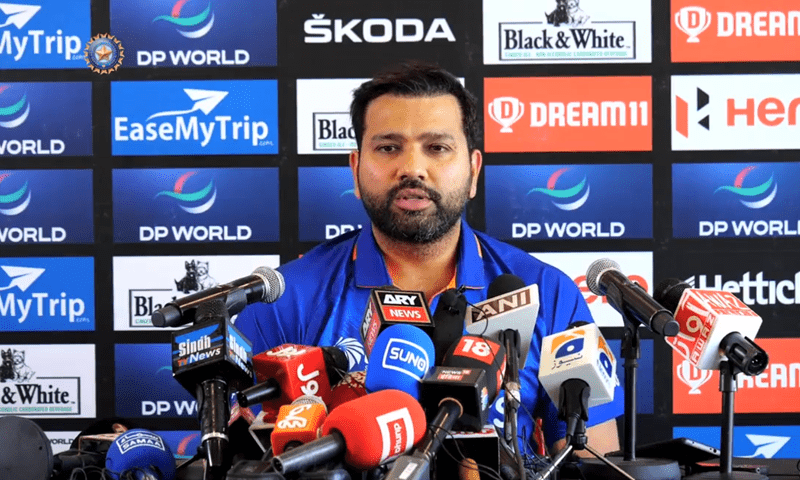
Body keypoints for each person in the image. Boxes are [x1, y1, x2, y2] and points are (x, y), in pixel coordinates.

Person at [235, 61, 622, 456]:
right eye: (388, 148)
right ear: (355, 170)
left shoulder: (549, 293)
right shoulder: (283, 301)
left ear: (473, 171)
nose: (412, 168)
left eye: (437, 148)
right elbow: (243, 459)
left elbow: (593, 459)